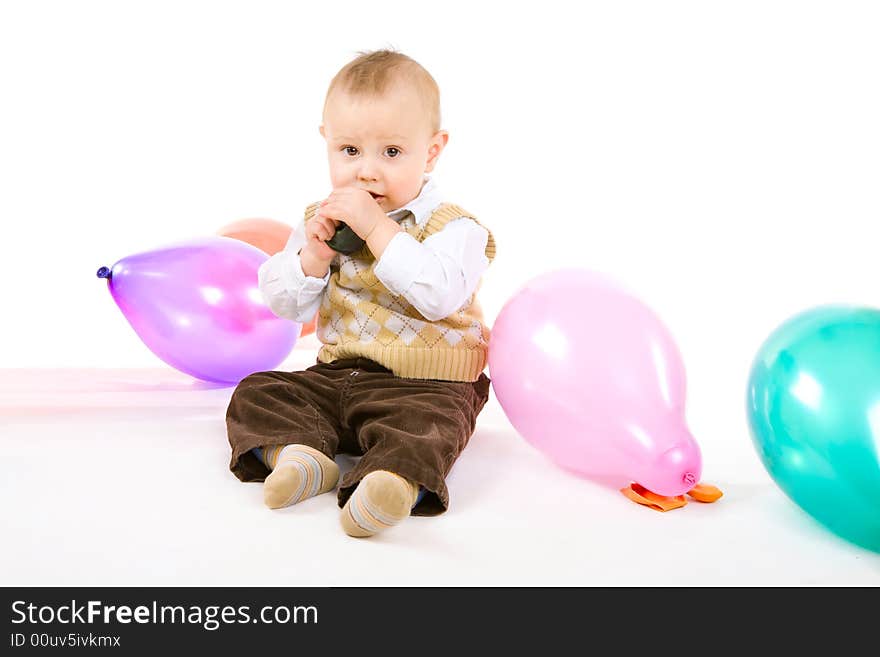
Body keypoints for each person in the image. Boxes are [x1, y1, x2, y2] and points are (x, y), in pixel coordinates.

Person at [226, 49, 495, 538]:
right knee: (259, 391)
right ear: (327, 143)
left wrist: (376, 230)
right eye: (350, 151)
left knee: (424, 430)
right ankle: (300, 456)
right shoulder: (322, 220)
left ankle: (389, 484)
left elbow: (436, 297)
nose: (366, 171)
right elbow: (285, 306)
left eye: (391, 153)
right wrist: (313, 257)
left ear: (431, 151)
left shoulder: (454, 229)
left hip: (427, 385)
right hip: (339, 376)